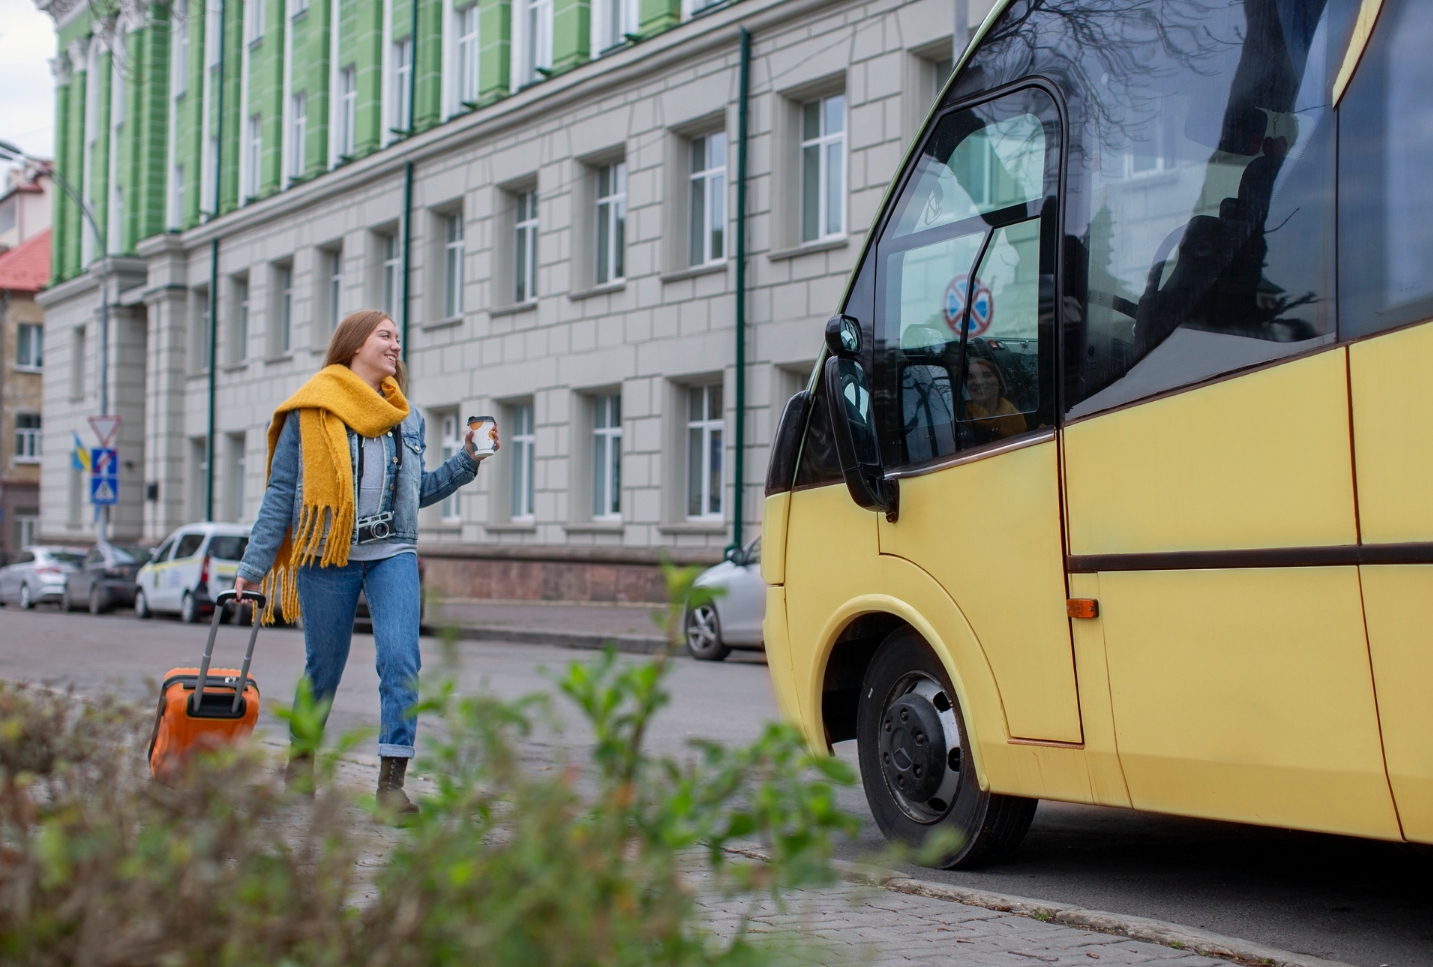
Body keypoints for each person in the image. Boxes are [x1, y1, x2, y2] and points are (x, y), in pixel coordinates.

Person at [234, 310, 497, 813]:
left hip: (391, 550)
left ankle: (391, 785)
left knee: (401, 661)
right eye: (385, 336)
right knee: (323, 668)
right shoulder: (312, 409)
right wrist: (253, 566)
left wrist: (467, 461)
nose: (396, 345)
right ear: (355, 345)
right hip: (327, 553)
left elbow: (416, 493)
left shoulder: (407, 417)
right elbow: (282, 492)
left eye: (398, 338)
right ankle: (301, 767)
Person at [962, 357, 1027, 441]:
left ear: (1000, 382)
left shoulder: (1015, 417)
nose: (979, 382)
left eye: (987, 375)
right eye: (970, 377)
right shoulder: (958, 416)